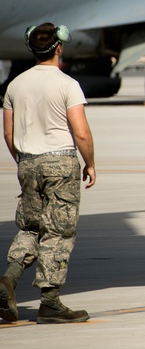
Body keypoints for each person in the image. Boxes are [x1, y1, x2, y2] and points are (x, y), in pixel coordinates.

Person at [1, 23, 96, 324]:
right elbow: (80, 133)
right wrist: (90, 162)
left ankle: (8, 280)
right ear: (59, 47)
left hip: (27, 162)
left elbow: (8, 133)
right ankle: (50, 301)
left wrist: (24, 159)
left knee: (30, 227)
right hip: (60, 164)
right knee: (58, 231)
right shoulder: (68, 85)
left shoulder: (14, 85)